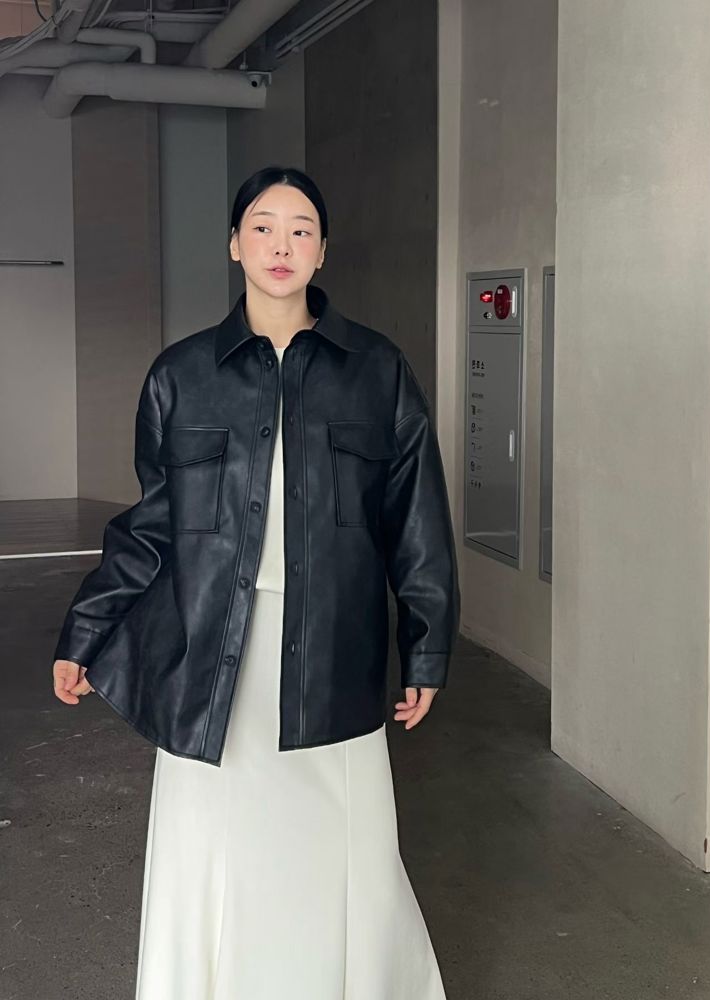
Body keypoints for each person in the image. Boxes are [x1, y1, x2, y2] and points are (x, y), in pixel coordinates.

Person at [51, 165, 460, 998]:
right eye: (263, 227)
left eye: (301, 229)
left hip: (334, 652)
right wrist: (85, 630)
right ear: (235, 244)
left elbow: (415, 519)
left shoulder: (376, 371)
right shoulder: (181, 376)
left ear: (322, 250)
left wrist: (426, 649)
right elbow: (152, 524)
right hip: (211, 653)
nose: (282, 244)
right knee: (215, 846)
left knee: (344, 849)